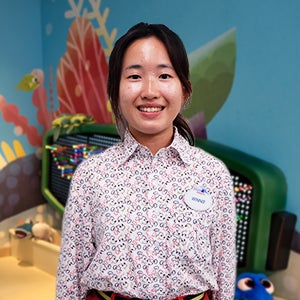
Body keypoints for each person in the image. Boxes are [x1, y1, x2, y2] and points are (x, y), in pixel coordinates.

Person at [56, 22, 236, 300]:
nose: (150, 91)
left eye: (164, 75)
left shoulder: (212, 174)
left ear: (185, 90)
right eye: (135, 76)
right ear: (115, 90)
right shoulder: (92, 175)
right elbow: (71, 275)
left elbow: (223, 274)